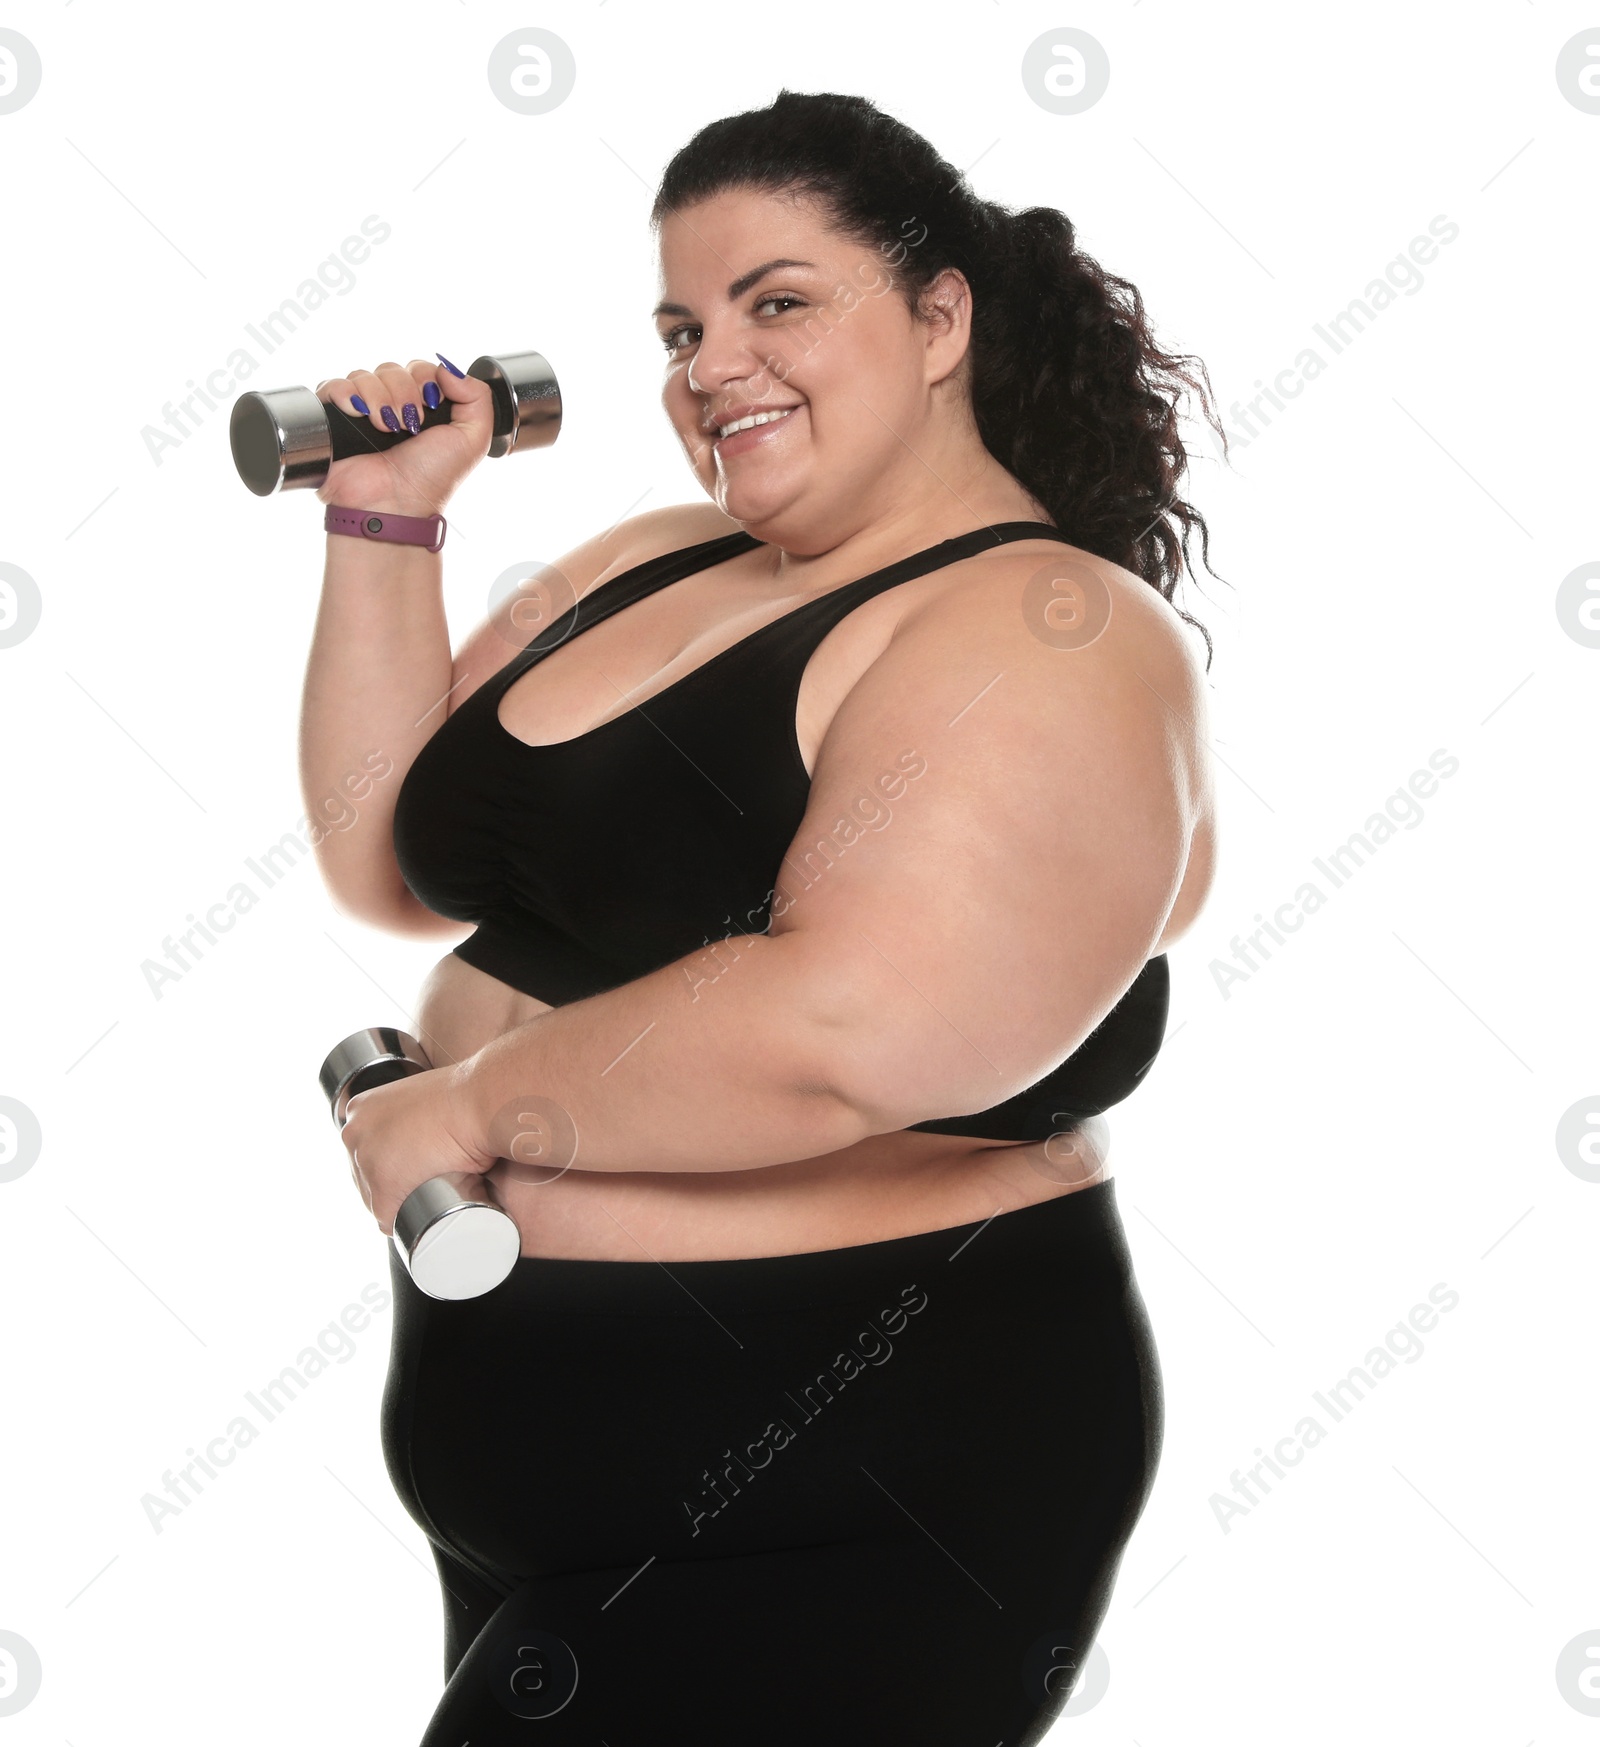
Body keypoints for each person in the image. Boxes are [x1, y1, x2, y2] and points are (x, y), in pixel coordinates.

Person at [299, 88, 1224, 1747]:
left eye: (777, 301)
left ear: (940, 317)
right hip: (520, 1448)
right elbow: (392, 859)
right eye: (681, 324)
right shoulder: (657, 560)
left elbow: (843, 1041)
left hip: (848, 1466)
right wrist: (385, 519)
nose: (709, 364)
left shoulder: (1050, 634)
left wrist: (465, 1106)